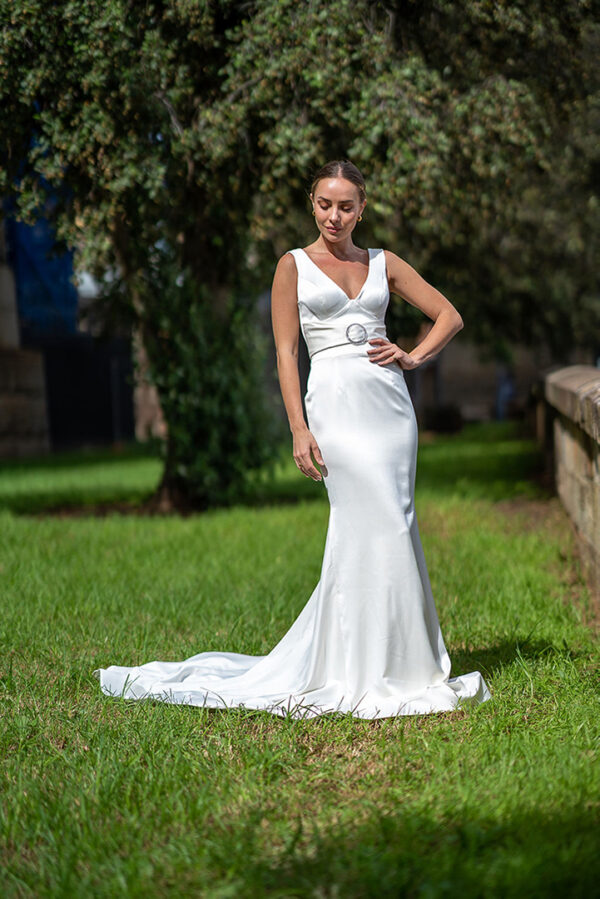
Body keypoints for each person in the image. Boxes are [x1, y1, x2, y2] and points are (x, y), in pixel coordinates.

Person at [94, 160, 491, 719]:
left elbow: (448, 315)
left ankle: (402, 665)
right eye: (325, 204)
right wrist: (298, 428)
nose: (335, 215)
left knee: (395, 520)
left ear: (362, 208)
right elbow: (286, 353)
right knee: (362, 518)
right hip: (331, 404)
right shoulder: (294, 266)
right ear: (312, 203)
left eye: (346, 206)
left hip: (388, 407)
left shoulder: (384, 263)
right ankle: (353, 663)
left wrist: (413, 356)